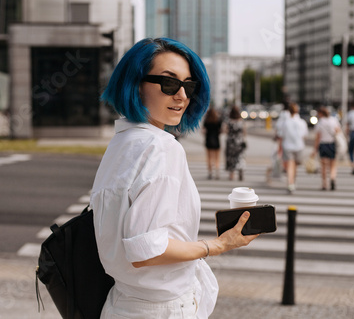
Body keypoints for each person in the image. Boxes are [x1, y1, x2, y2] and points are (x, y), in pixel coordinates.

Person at [91, 38, 258, 319]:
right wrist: (218, 245)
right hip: (160, 309)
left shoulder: (122, 142)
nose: (181, 95)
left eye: (188, 86)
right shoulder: (161, 146)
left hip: (121, 303)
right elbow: (145, 249)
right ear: (136, 84)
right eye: (169, 84)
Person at [277, 102, 308, 194]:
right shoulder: (301, 122)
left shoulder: (285, 123)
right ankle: (293, 181)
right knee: (295, 166)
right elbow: (304, 135)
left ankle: (290, 183)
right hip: (299, 146)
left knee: (290, 165)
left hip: (287, 146)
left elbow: (281, 135)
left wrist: (279, 147)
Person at [311, 106, 341, 190]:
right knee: (333, 164)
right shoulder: (333, 120)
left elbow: (318, 137)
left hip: (323, 145)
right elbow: (338, 130)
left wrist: (315, 149)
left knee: (323, 165)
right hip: (332, 143)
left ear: (321, 113)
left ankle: (324, 184)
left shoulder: (320, 122)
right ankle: (332, 178)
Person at [225, 105, 247, 181]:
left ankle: (231, 175)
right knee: (240, 157)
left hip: (231, 143)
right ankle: (241, 171)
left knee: (231, 158)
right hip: (239, 142)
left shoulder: (229, 121)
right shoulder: (241, 122)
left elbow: (225, 131)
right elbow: (244, 132)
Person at [202, 107, 223, 180]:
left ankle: (210, 173)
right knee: (217, 158)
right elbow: (221, 130)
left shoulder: (206, 120)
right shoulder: (218, 120)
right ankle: (217, 173)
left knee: (209, 158)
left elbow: (203, 131)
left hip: (208, 141)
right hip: (216, 141)